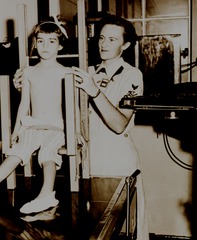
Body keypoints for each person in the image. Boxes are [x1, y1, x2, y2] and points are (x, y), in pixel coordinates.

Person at [13, 14, 149, 239]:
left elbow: (119, 124)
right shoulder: (85, 70)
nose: (104, 44)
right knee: (87, 231)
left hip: (115, 164)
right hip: (84, 164)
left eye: (112, 40)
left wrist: (94, 91)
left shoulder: (132, 75)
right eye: (102, 38)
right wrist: (25, 84)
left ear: (126, 44)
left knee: (119, 230)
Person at [0, 18, 72, 215]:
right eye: (40, 41)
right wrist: (16, 130)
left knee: (47, 153)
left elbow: (71, 107)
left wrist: (77, 132)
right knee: (17, 151)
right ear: (35, 43)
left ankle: (47, 194)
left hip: (58, 127)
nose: (45, 46)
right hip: (33, 125)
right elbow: (24, 104)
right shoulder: (29, 72)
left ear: (60, 45)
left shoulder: (66, 73)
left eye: (51, 41)